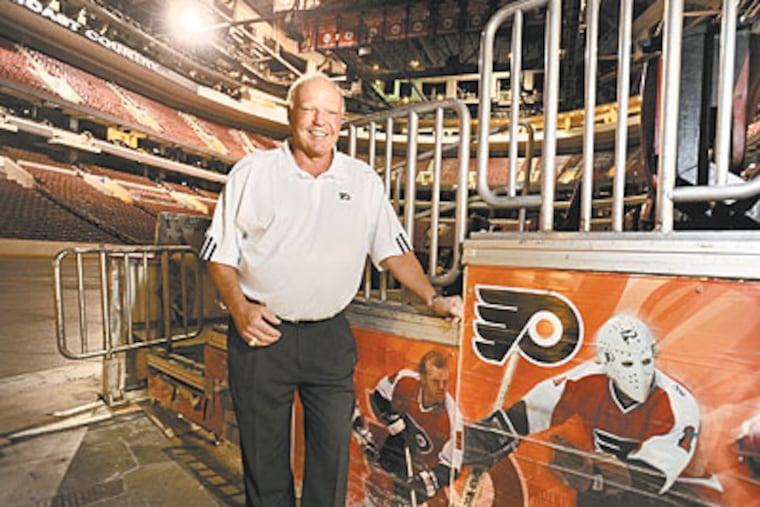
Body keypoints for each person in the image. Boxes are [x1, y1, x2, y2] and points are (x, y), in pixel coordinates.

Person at [201, 72, 463, 507]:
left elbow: (393, 252)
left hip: (329, 338)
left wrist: (432, 298)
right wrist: (240, 309)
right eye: (309, 109)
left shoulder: (363, 181)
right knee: (264, 462)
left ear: (342, 120)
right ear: (291, 114)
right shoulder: (252, 173)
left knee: (332, 457)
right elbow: (220, 256)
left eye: (331, 112)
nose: (319, 121)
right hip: (262, 334)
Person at [464, 313, 716, 506]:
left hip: (665, 497)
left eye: (646, 361)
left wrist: (595, 474)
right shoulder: (583, 381)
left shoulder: (679, 404)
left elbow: (650, 479)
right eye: (627, 362)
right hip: (602, 485)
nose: (639, 373)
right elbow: (525, 415)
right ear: (606, 361)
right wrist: (482, 440)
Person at [355, 349, 464, 506]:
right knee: (377, 491)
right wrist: (392, 419)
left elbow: (452, 467)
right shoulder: (405, 379)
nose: (441, 387)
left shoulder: (452, 418)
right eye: (435, 381)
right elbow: (380, 395)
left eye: (444, 382)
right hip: (397, 454)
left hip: (422, 470)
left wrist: (428, 480)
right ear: (423, 379)